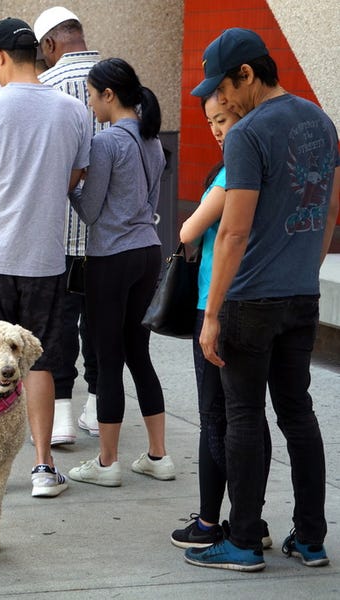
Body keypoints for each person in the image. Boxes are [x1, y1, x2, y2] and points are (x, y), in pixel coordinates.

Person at [187, 28, 338, 572]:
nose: (221, 101)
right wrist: (306, 270)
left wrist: (211, 314)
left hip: (248, 300)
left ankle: (245, 541)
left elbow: (231, 232)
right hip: (301, 295)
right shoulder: (322, 123)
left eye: (223, 89)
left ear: (247, 74)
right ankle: (312, 538)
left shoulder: (250, 133)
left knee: (244, 415)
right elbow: (328, 213)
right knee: (299, 413)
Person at [0, 18, 91, 498]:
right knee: (41, 361)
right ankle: (43, 467)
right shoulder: (73, 111)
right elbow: (76, 175)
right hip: (46, 258)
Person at [171, 92, 274, 550]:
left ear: (244, 117)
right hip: (260, 299)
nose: (216, 130)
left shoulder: (234, 172)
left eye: (223, 119)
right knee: (251, 416)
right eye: (211, 121)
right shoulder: (270, 170)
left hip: (216, 304)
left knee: (217, 417)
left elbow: (188, 231)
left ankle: (213, 523)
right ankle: (252, 520)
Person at [66, 58, 171, 488]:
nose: (90, 104)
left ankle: (107, 463)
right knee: (138, 353)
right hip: (148, 252)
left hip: (111, 257)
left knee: (108, 357)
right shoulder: (153, 142)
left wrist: (71, 185)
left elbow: (90, 211)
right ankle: (157, 456)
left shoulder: (107, 143)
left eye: (92, 95)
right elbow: (147, 204)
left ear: (110, 94)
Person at [34, 6, 105, 445]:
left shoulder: (45, 88)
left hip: (56, 235)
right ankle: (97, 409)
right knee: (102, 325)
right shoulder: (123, 81)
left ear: (48, 45)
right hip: (110, 238)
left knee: (57, 326)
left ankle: (60, 417)